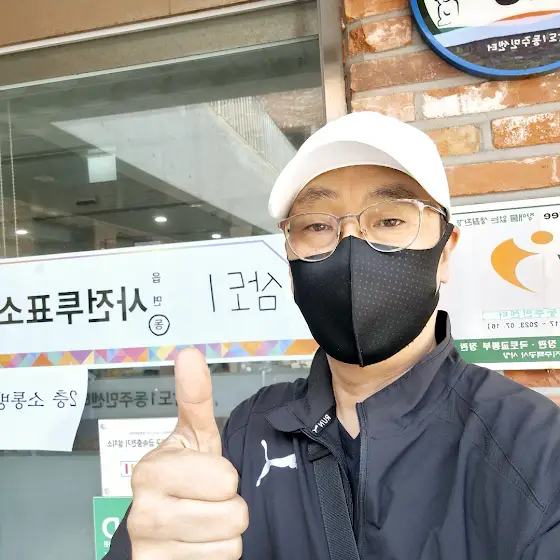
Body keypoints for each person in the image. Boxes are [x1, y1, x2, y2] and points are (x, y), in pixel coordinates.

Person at [106, 112, 560, 560]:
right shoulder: (248, 432)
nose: (350, 245)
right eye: (318, 226)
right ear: (290, 266)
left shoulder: (535, 449)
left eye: (389, 220)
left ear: (444, 254)